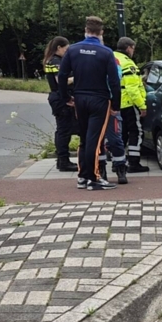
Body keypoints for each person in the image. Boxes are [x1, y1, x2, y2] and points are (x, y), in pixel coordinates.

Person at [58, 16, 121, 191]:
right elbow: (114, 82)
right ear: (101, 33)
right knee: (95, 138)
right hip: (99, 99)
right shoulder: (106, 52)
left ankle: (82, 177)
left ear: (85, 31)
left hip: (79, 98)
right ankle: (94, 178)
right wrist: (116, 104)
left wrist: (66, 98)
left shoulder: (73, 50)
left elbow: (62, 76)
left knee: (84, 138)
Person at [113, 37, 150, 175]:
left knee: (119, 134)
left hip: (114, 103)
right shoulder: (128, 64)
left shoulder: (110, 57)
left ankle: (118, 162)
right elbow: (133, 89)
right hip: (128, 103)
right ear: (129, 48)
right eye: (133, 48)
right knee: (136, 132)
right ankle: (134, 163)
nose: (133, 51)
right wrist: (142, 106)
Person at [42, 36, 78, 172]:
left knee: (66, 130)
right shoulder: (55, 62)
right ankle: (63, 161)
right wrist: (79, 76)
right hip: (61, 99)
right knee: (64, 131)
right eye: (66, 49)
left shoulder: (53, 60)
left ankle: (63, 160)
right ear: (59, 48)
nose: (67, 52)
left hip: (60, 98)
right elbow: (61, 81)